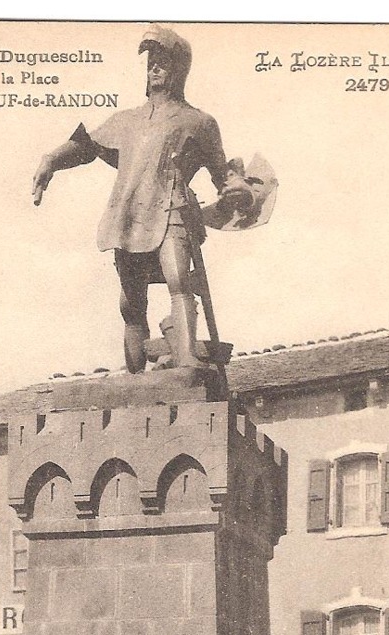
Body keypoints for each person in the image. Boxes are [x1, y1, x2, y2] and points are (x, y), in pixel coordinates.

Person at [32, 24, 253, 374]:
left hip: (174, 209)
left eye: (162, 61)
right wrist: (51, 161)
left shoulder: (200, 122)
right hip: (129, 216)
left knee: (180, 281)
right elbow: (87, 146)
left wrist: (237, 188)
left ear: (179, 68)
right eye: (150, 61)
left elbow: (222, 172)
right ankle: (135, 376)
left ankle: (186, 358)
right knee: (132, 304)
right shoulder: (126, 121)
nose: (154, 68)